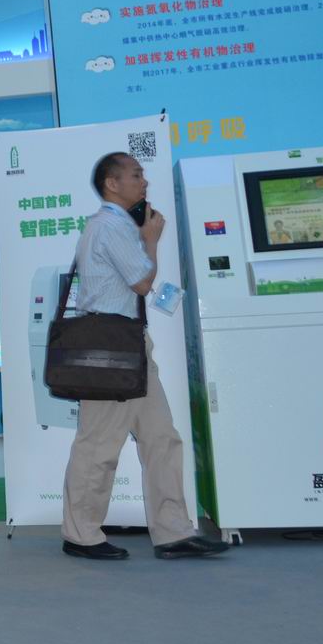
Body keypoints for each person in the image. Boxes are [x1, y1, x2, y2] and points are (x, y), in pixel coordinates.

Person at [61, 153, 229, 561]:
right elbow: (141, 282)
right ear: (111, 183)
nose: (144, 181)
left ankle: (173, 531)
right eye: (136, 175)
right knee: (99, 444)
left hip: (129, 346)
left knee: (161, 438)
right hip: (109, 350)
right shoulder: (110, 226)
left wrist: (143, 237)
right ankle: (81, 534)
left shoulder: (116, 226)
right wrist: (151, 239)